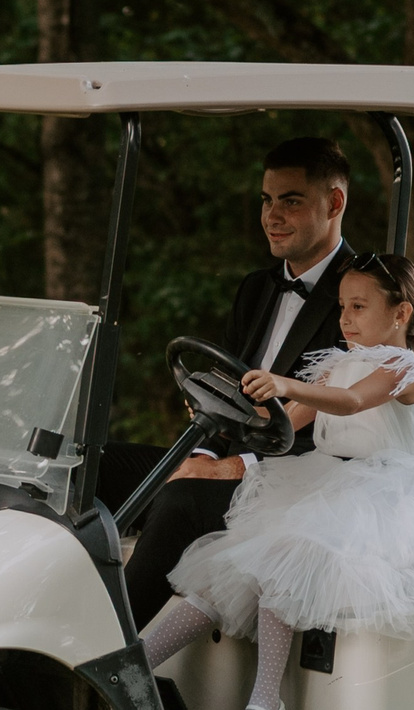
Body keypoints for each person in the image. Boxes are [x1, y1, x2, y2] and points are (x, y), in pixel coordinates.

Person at [134, 253, 414, 710]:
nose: (344, 318)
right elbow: (283, 418)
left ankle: (264, 705)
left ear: (400, 314)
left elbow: (353, 402)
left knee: (281, 558)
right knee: (225, 567)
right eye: (342, 305)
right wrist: (226, 402)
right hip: (321, 483)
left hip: (378, 496)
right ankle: (134, 666)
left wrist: (284, 382)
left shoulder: (401, 367)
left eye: (358, 306)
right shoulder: (337, 363)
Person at [96, 136, 362, 628]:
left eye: (291, 201)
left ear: (335, 203)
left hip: (304, 487)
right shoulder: (257, 289)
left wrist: (235, 466)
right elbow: (222, 392)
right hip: (233, 463)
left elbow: (336, 425)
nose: (271, 215)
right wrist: (199, 458)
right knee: (94, 465)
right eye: (266, 200)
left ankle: (105, 654)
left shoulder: (362, 297)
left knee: (178, 500)